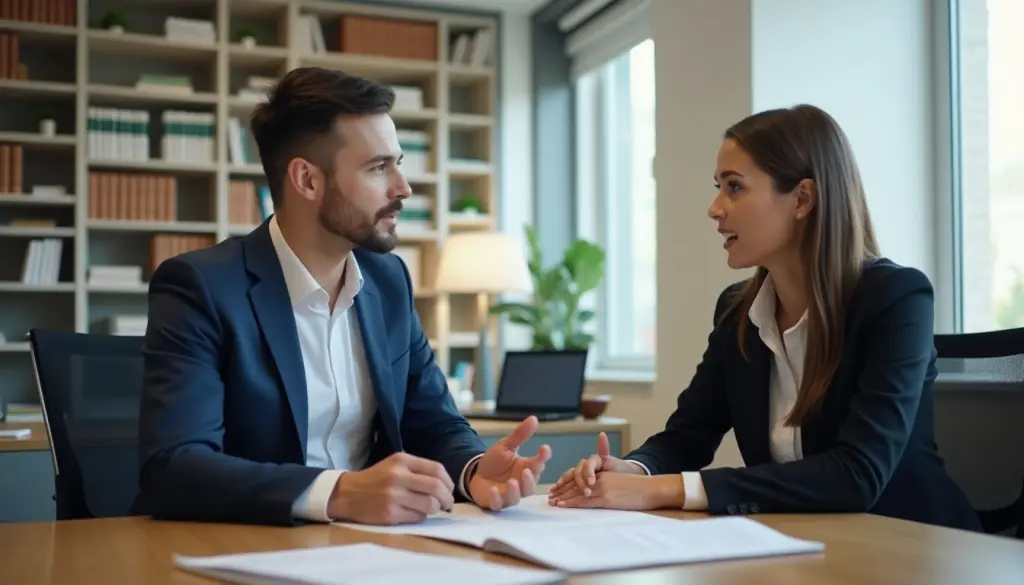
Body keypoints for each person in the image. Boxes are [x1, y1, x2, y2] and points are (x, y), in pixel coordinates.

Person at [134, 67, 551, 526]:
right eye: (378, 167)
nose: (403, 188)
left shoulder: (388, 281)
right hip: (242, 545)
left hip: (369, 547)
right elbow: (174, 468)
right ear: (307, 180)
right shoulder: (202, 287)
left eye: (399, 163)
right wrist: (338, 492)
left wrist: (473, 472)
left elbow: (434, 423)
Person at [547, 104, 982, 532]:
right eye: (718, 187)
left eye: (734, 187)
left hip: (914, 547)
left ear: (802, 199)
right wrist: (633, 471)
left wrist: (665, 490)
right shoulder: (737, 312)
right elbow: (687, 437)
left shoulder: (895, 298)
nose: (715, 208)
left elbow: (856, 475)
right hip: (805, 544)